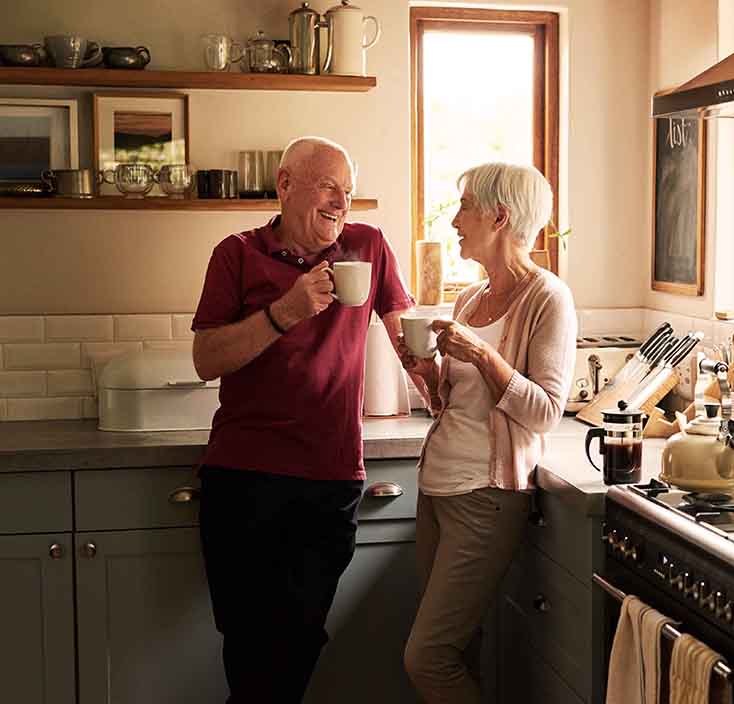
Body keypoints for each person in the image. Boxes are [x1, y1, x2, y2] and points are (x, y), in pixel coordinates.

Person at [191, 136, 423, 703]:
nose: (342, 202)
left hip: (329, 479)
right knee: (248, 644)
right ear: (286, 184)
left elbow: (405, 337)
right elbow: (206, 359)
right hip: (243, 478)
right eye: (328, 186)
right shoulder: (237, 253)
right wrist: (286, 311)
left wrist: (445, 386)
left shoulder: (367, 247)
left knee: (297, 639)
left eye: (348, 191)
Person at [399, 162, 577, 704]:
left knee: (426, 658)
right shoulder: (470, 301)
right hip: (438, 489)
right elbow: (457, 408)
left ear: (499, 217)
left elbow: (546, 411)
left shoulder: (548, 298)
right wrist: (428, 377)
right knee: (457, 651)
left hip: (486, 497)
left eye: (465, 208)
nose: (454, 221)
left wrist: (481, 354)